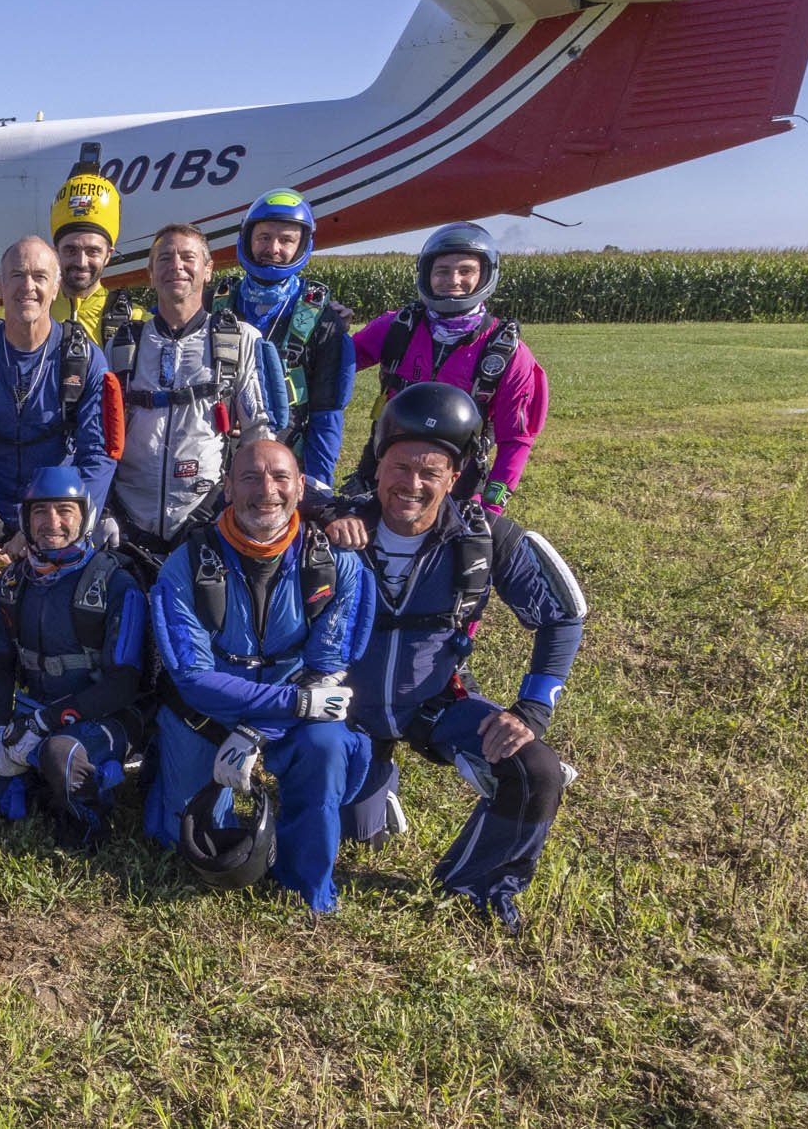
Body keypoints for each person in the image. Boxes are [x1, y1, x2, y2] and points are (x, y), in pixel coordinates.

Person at [324, 384, 584, 933]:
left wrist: (531, 710)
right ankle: (372, 785)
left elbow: (562, 616)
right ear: (376, 463)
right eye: (399, 466)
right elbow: (270, 500)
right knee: (350, 828)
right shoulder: (335, 523)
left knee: (535, 770)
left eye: (430, 472)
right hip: (341, 710)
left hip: (433, 706)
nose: (410, 485)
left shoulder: (484, 539)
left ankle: (475, 885)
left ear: (457, 474)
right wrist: (320, 512)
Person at [146, 438, 371, 914]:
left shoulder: (336, 566)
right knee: (181, 842)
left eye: (280, 477)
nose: (266, 490)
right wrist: (282, 708)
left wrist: (258, 729)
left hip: (295, 711)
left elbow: (327, 669)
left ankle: (306, 882)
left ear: (301, 487)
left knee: (325, 746)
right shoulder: (186, 565)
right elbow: (191, 677)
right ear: (227, 488)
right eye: (249, 477)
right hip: (207, 712)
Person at [0, 467, 148, 842]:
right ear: (26, 520)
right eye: (40, 512)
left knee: (61, 757)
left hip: (106, 716)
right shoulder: (11, 584)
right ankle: (40, 780)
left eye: (65, 510)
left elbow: (123, 684)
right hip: (35, 711)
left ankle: (88, 804)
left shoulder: (115, 583)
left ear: (85, 517)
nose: (52, 522)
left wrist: (45, 722)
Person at [0, 236, 121, 596]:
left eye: (39, 276)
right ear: (0, 284)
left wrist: (45, 532)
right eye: (16, 275)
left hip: (58, 522)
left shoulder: (84, 360)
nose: (27, 287)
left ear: (56, 285)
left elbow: (98, 455)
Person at [102, 224, 286, 572]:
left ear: (208, 268)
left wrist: (245, 505)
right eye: (165, 258)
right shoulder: (124, 344)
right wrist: (107, 510)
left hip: (207, 518)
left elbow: (259, 435)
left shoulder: (238, 340)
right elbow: (99, 435)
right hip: (126, 523)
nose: (177, 266)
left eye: (188, 257)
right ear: (151, 274)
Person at [349, 222, 548, 512]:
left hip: (458, 485)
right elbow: (336, 363)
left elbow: (515, 440)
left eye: (466, 271)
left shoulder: (507, 353)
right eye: (442, 270)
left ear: (484, 277)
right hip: (383, 474)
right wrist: (327, 328)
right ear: (427, 275)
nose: (453, 280)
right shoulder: (397, 328)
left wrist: (490, 508)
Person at [216, 190, 355, 490]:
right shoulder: (216, 303)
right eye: (264, 237)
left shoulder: (322, 318)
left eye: (286, 240)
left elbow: (327, 412)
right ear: (247, 238)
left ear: (302, 245)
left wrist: (318, 484)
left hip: (285, 461)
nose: (273, 249)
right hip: (216, 457)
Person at [48, 162, 124, 339]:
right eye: (70, 250)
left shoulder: (136, 322)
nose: (81, 262)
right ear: (55, 253)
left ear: (108, 255)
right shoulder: (21, 315)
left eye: (93, 251)